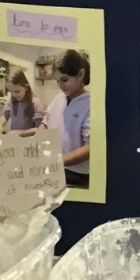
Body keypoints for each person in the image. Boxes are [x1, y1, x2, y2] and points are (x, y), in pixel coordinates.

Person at [43, 49, 91, 187]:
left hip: (78, 175)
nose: (60, 86)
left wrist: (58, 160)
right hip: (56, 168)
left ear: (80, 74)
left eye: (64, 80)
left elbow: (89, 148)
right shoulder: (58, 98)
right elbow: (44, 124)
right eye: (57, 81)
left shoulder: (90, 104)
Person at [0, 68, 44, 134]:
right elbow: (5, 115)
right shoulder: (11, 101)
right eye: (10, 91)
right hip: (15, 139)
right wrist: (0, 124)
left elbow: (40, 129)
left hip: (30, 140)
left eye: (17, 91)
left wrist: (20, 133)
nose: (14, 95)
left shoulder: (35, 103)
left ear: (26, 87)